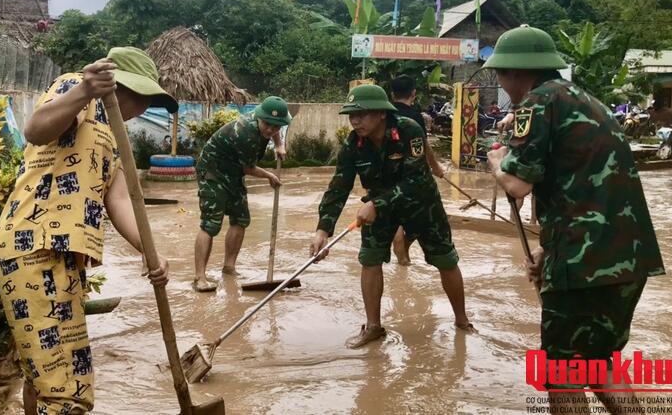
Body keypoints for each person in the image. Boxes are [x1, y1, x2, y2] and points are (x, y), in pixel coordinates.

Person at [484, 26, 665, 415]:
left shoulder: (537, 102)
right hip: (629, 257)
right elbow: (580, 186)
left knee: (561, 373)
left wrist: (497, 163)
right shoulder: (589, 101)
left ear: (516, 71)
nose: (500, 81)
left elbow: (517, 185)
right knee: (599, 366)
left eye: (499, 72)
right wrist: (549, 251)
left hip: (584, 263)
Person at [0, 47, 178, 414]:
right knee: (67, 393)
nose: (145, 108)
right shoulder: (76, 89)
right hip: (33, 246)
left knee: (44, 377)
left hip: (64, 258)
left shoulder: (114, 137)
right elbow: (35, 130)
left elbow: (118, 200)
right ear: (128, 89)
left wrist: (149, 250)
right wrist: (85, 90)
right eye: (146, 99)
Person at [310, 84, 472, 349]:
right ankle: (373, 327)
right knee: (370, 258)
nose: (355, 121)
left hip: (421, 204)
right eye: (352, 115)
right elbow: (339, 186)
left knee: (445, 258)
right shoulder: (353, 143)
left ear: (382, 113)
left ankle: (462, 321)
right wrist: (322, 230)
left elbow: (416, 180)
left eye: (362, 114)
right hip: (380, 209)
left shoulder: (409, 131)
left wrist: (377, 204)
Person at [193, 97, 291, 292]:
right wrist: (269, 175)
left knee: (241, 219)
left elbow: (274, 130)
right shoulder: (246, 133)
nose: (270, 130)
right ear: (259, 118)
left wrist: (279, 144)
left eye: (275, 126)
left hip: (233, 171)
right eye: (267, 124)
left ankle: (229, 268)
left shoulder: (269, 126)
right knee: (211, 224)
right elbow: (248, 168)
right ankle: (199, 277)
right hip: (212, 171)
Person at [389, 74, 445, 265]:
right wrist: (436, 168)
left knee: (393, 212)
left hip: (388, 173)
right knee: (421, 216)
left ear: (392, 94)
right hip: (412, 176)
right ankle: (403, 247)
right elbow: (424, 146)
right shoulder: (415, 117)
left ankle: (398, 242)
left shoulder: (384, 115)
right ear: (413, 93)